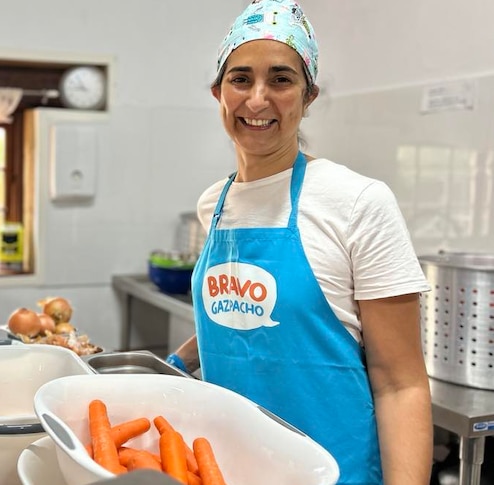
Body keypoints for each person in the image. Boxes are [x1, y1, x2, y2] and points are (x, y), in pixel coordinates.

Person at [165, 2, 433, 483]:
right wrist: (174, 363)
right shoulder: (215, 204)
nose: (258, 99)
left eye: (281, 80)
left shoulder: (358, 202)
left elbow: (400, 383)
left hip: (334, 470)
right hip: (229, 467)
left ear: (308, 96)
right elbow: (247, 320)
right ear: (218, 93)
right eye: (241, 79)